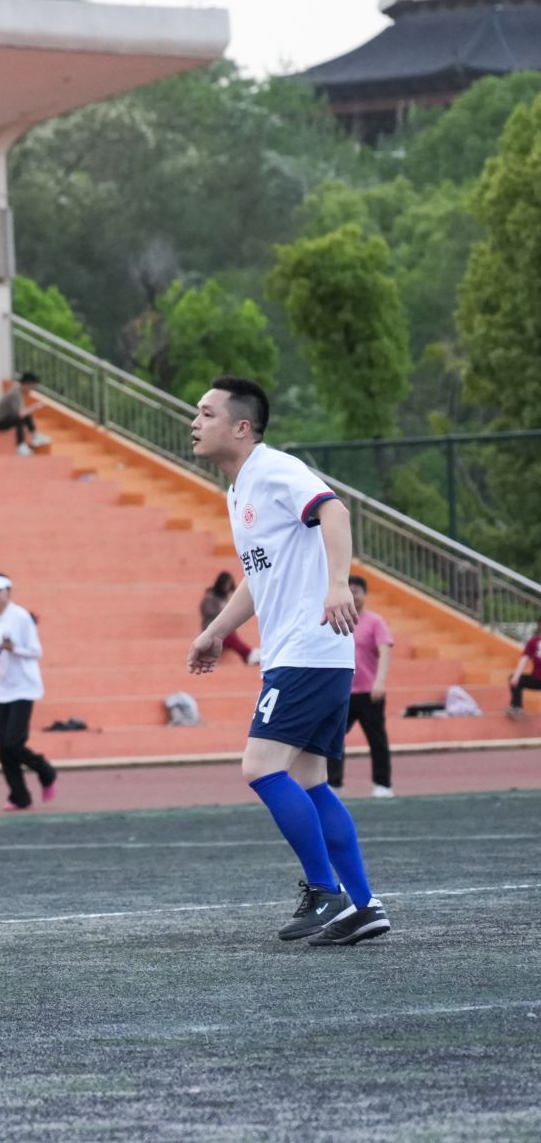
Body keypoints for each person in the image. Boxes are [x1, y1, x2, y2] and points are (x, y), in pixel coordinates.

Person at [188, 375, 389, 946]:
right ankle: (364, 905)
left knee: (259, 767)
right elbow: (258, 578)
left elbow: (335, 512)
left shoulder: (275, 469)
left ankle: (326, 891)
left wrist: (338, 584)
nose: (195, 423)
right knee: (309, 780)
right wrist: (216, 632)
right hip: (311, 655)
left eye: (206, 414)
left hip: (307, 649)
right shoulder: (239, 492)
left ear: (242, 427)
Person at [0, 574, 58, 811]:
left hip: (23, 685)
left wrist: (15, 648)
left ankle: (45, 770)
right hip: (0, 684)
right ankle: (19, 795)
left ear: (8, 591)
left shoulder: (21, 617)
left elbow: (36, 651)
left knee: (13, 742)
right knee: (2, 747)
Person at [327, 575, 394, 797]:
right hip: (341, 692)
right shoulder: (334, 619)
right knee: (334, 739)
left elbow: (385, 650)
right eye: (350, 591)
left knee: (377, 739)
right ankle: (334, 783)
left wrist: (380, 681)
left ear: (365, 595)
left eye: (357, 592)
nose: (354, 596)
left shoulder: (375, 621)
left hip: (369, 693)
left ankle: (382, 784)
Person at [201, 571, 258, 667]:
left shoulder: (226, 596)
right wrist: (222, 608)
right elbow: (208, 611)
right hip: (211, 626)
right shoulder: (211, 596)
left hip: (222, 627)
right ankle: (248, 654)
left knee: (230, 635)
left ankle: (249, 654)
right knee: (229, 637)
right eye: (226, 584)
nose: (227, 587)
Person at [0, 372, 50, 456]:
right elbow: (20, 414)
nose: (31, 390)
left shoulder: (18, 392)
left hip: (7, 419)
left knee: (25, 415)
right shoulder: (15, 393)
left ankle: (35, 436)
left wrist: (30, 409)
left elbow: (22, 412)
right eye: (31, 387)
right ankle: (21, 446)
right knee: (19, 419)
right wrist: (35, 406)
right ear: (26, 385)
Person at [508, 621, 540, 720]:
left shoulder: (534, 641)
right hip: (537, 679)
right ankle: (516, 707)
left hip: (537, 679)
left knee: (515, 678)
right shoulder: (533, 642)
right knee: (514, 678)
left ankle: (516, 707)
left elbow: (524, 659)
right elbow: (524, 659)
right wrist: (516, 676)